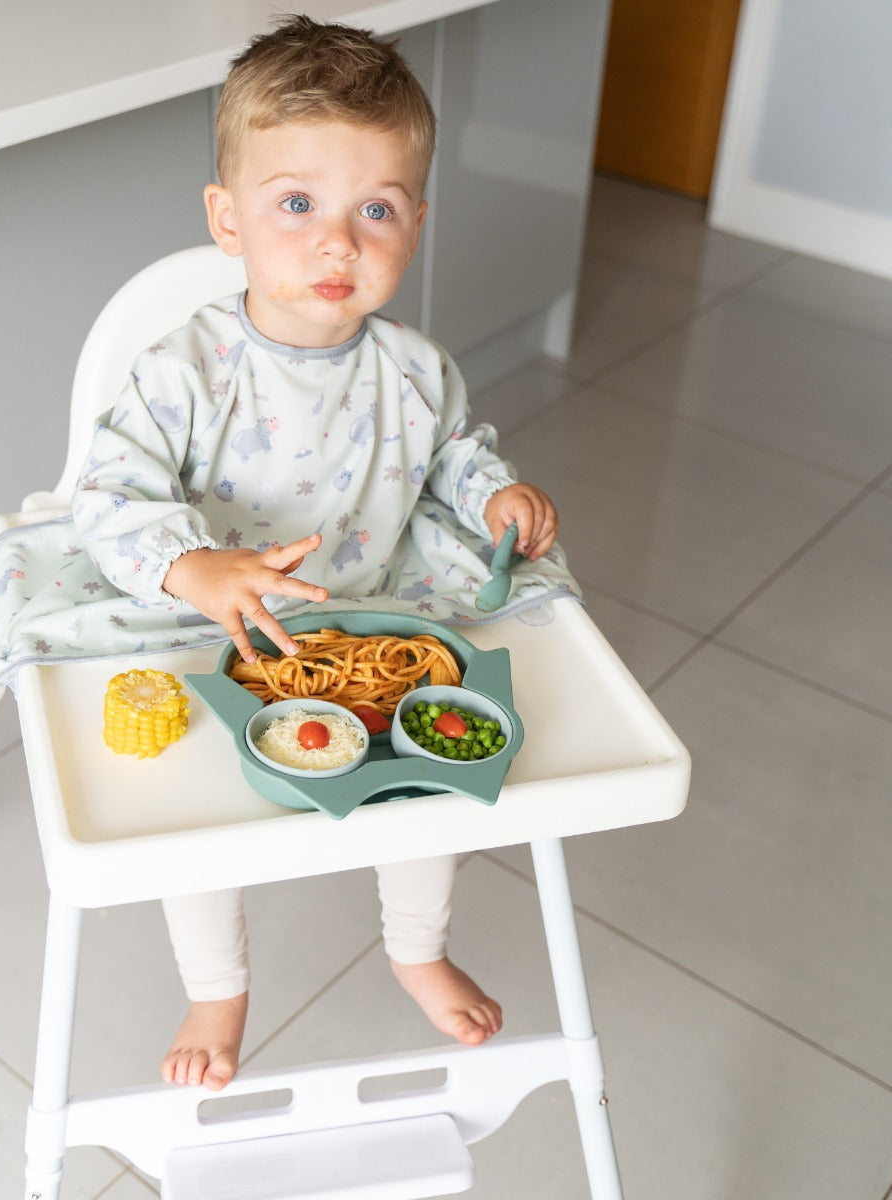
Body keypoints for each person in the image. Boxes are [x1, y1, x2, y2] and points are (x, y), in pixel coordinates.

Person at [72, 14, 560, 1091]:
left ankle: (415, 947)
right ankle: (218, 985)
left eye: (374, 210)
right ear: (228, 219)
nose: (338, 241)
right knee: (191, 818)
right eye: (297, 203)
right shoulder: (181, 371)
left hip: (369, 616)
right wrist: (197, 569)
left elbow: (455, 457)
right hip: (214, 630)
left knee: (441, 770)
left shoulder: (417, 371)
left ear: (416, 224)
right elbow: (106, 498)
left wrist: (498, 493)